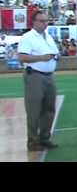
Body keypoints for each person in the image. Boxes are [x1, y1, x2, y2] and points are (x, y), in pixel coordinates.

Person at [17, 11, 60, 151]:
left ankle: (44, 138)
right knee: (34, 110)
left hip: (49, 75)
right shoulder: (28, 37)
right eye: (42, 21)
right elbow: (22, 57)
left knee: (49, 109)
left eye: (46, 21)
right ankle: (33, 142)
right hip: (35, 75)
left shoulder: (48, 37)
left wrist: (53, 57)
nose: (45, 23)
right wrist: (41, 58)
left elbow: (54, 53)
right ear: (34, 22)